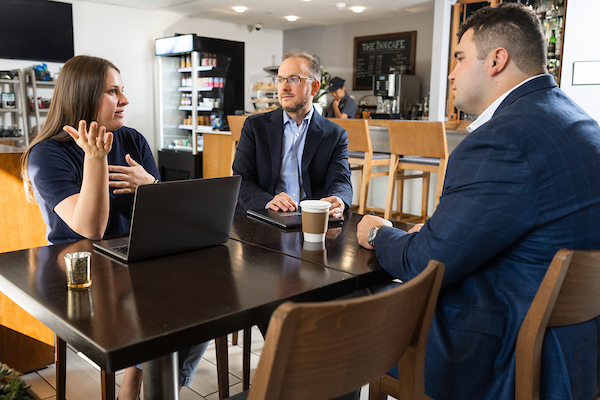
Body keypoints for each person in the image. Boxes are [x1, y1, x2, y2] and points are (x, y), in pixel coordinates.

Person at [357, 4, 600, 400]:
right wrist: (436, 236)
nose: (451, 73)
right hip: (578, 345)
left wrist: (380, 232)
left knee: (364, 311)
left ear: (497, 60)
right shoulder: (581, 122)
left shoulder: (503, 138)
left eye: (459, 58)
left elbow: (426, 263)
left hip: (511, 350)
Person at [21, 55, 208, 400]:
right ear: (84, 95)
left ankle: (148, 382)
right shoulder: (46, 154)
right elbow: (91, 228)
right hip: (81, 273)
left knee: (206, 301)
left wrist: (150, 184)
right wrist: (96, 158)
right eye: (113, 91)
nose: (124, 100)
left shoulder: (133, 140)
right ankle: (145, 381)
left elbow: (167, 215)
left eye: (122, 90)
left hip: (134, 261)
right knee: (166, 308)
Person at [233, 51, 352, 219]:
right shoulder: (254, 127)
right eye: (280, 79)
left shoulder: (335, 134)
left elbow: (340, 181)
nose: (284, 87)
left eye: (293, 79)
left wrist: (338, 200)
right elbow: (241, 180)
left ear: (314, 87)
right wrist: (268, 201)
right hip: (262, 218)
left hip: (311, 222)